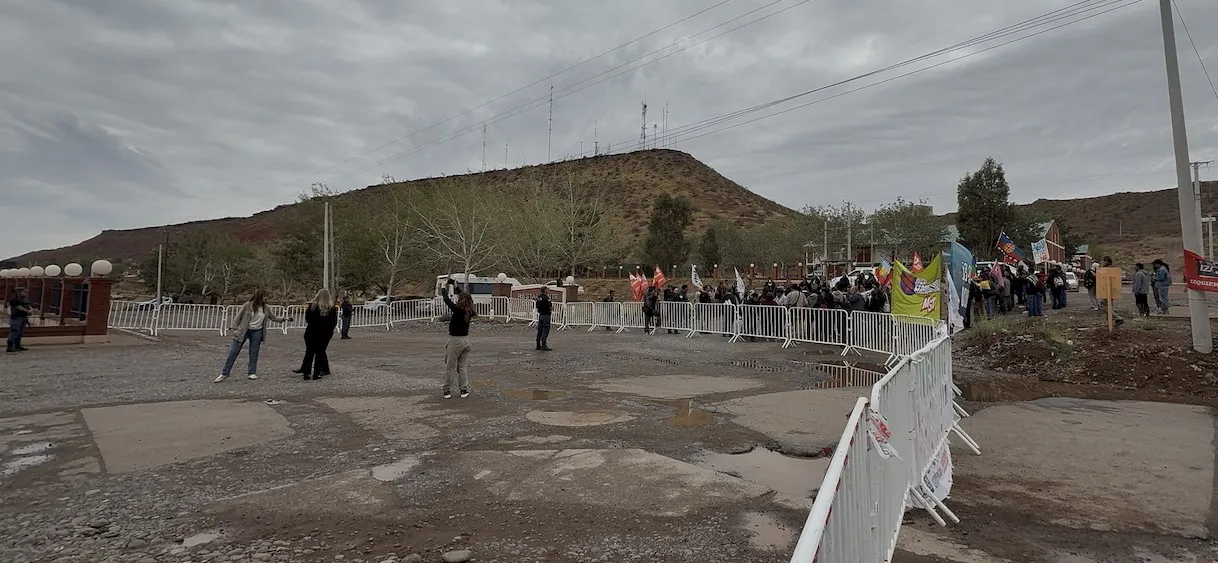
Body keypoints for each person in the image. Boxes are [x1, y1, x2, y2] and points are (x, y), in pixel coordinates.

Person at [217, 289, 290, 382]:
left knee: (254, 352)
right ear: (259, 296)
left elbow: (273, 317)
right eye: (265, 296)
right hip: (244, 330)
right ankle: (224, 373)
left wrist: (284, 319)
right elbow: (238, 317)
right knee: (233, 352)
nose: (266, 299)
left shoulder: (266, 307)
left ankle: (252, 372)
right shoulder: (248, 305)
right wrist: (234, 328)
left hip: (257, 331)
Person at [294, 289, 339, 380]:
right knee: (320, 352)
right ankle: (316, 373)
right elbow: (333, 323)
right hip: (325, 334)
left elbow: (308, 319)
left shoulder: (312, 307)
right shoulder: (331, 309)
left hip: (312, 332)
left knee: (309, 352)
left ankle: (306, 373)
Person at [441, 283, 476, 399]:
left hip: (455, 341)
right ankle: (464, 390)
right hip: (466, 341)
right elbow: (464, 295)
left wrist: (443, 288)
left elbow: (447, 300)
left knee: (450, 367)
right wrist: (455, 286)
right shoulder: (469, 311)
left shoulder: (457, 310)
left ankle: (447, 390)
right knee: (462, 366)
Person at [7, 286, 31, 353]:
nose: (25, 293)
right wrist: (27, 311)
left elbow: (27, 305)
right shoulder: (14, 299)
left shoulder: (23, 299)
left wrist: (30, 309)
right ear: (18, 292)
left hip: (23, 317)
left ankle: (17, 345)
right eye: (24, 292)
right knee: (14, 331)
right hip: (16, 318)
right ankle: (10, 346)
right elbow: (19, 307)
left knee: (20, 332)